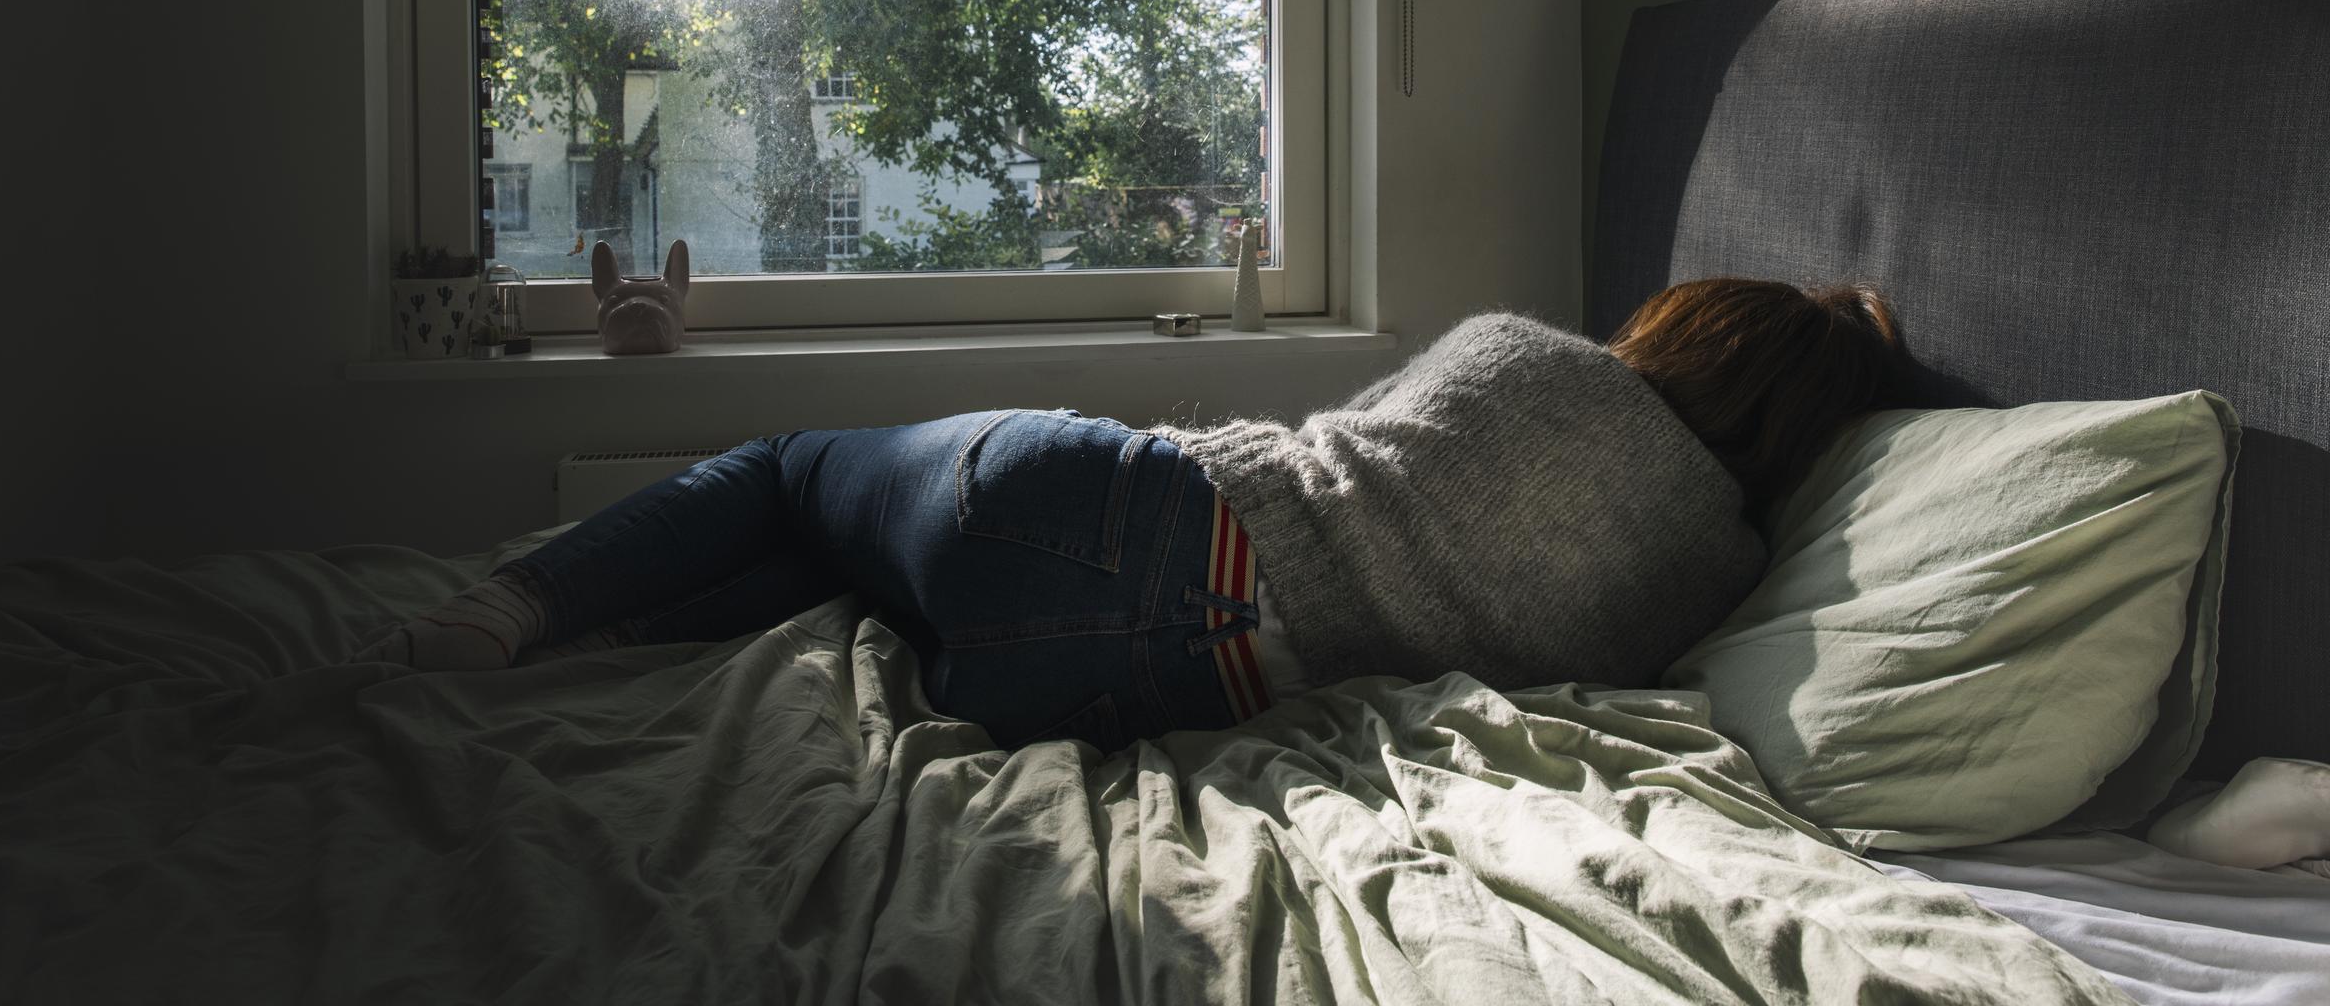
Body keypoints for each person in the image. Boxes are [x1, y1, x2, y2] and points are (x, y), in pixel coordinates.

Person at [353, 279, 1907, 750]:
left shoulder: (1533, 359)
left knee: (787, 472)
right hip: (1148, 683)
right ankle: (603, 626)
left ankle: (502, 617)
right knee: (851, 581)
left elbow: (1351, 444)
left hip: (1123, 512)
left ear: (1688, 332)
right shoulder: (1713, 578)